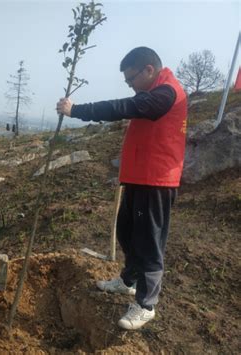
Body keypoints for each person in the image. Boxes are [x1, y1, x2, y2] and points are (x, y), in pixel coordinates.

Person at [56, 47, 187, 330]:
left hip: (156, 180)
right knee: (126, 230)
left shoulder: (165, 93)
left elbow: (122, 107)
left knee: (149, 241)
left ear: (148, 70)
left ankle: (146, 305)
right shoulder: (154, 91)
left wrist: (77, 110)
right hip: (140, 177)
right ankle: (130, 280)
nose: (129, 84)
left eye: (130, 78)